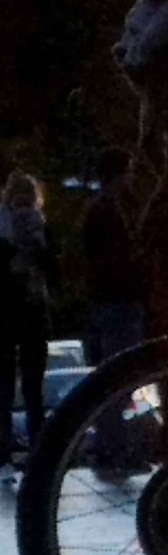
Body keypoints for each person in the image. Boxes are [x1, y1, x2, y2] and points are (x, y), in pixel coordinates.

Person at [80, 148, 148, 471]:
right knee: (120, 378)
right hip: (118, 299)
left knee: (116, 377)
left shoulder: (100, 209)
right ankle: (115, 447)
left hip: (109, 299)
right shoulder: (110, 211)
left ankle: (113, 446)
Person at [0, 170, 60, 478]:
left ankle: (3, 449)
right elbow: (53, 266)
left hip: (5, 313)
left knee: (4, 387)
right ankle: (39, 447)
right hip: (34, 310)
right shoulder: (40, 225)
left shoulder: (2, 225)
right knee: (35, 386)